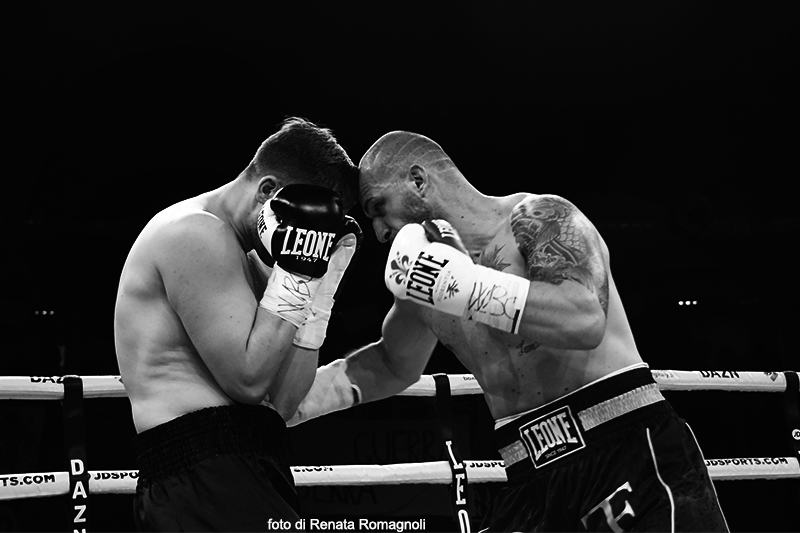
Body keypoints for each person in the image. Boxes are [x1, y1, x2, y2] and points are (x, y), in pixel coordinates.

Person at [288, 131, 729, 532]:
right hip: (527, 476)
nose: (380, 233)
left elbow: (583, 318)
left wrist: (466, 287)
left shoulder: (538, 218)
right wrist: (290, 406)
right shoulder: (420, 285)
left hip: (624, 444)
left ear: (418, 181)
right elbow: (390, 362)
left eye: (378, 208)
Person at [113, 117, 361, 531]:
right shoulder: (194, 232)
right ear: (268, 191)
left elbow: (280, 402)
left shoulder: (248, 258)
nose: (311, 234)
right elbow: (247, 381)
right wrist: (297, 274)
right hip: (201, 476)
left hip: (252, 466)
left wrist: (320, 288)